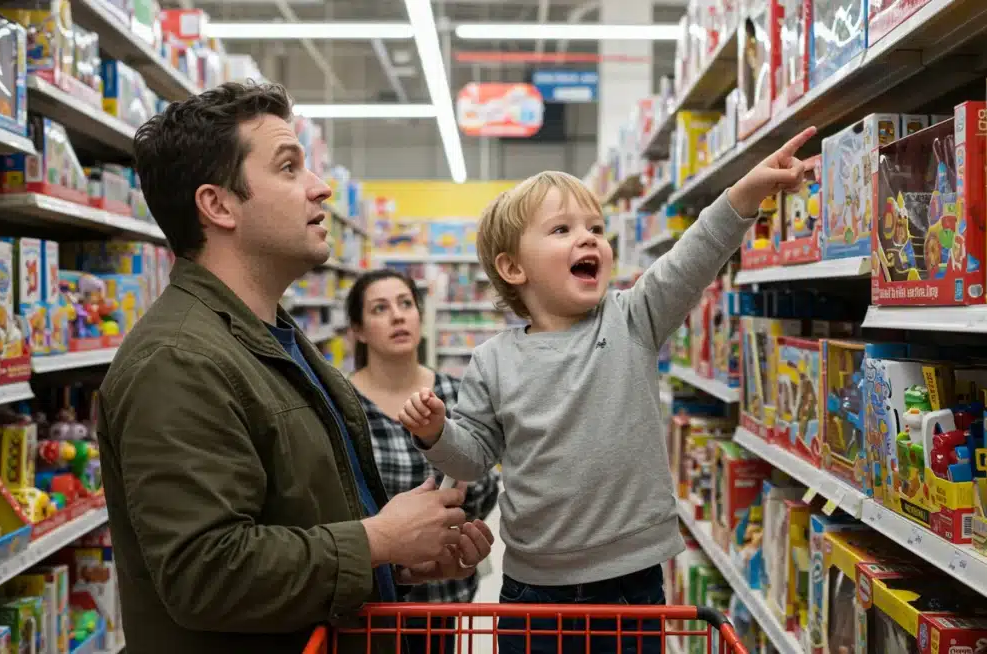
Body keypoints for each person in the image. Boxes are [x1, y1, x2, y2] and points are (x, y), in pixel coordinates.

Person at [97, 81, 493, 654]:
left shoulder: (273, 336)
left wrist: (395, 564)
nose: (321, 187)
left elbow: (298, 515)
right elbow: (203, 574)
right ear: (218, 205)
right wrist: (377, 541)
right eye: (289, 168)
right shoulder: (178, 360)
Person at [399, 128, 819, 654]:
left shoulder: (632, 319)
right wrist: (436, 432)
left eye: (596, 227)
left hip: (631, 583)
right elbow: (473, 460)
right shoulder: (494, 360)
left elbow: (692, 258)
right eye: (561, 229)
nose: (590, 237)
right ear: (513, 267)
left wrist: (745, 194)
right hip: (534, 590)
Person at [345, 268, 502, 654]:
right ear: (359, 330)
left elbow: (485, 486)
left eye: (405, 304)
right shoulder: (340, 402)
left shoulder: (456, 392)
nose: (398, 316)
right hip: (367, 604)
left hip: (445, 598)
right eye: (380, 309)